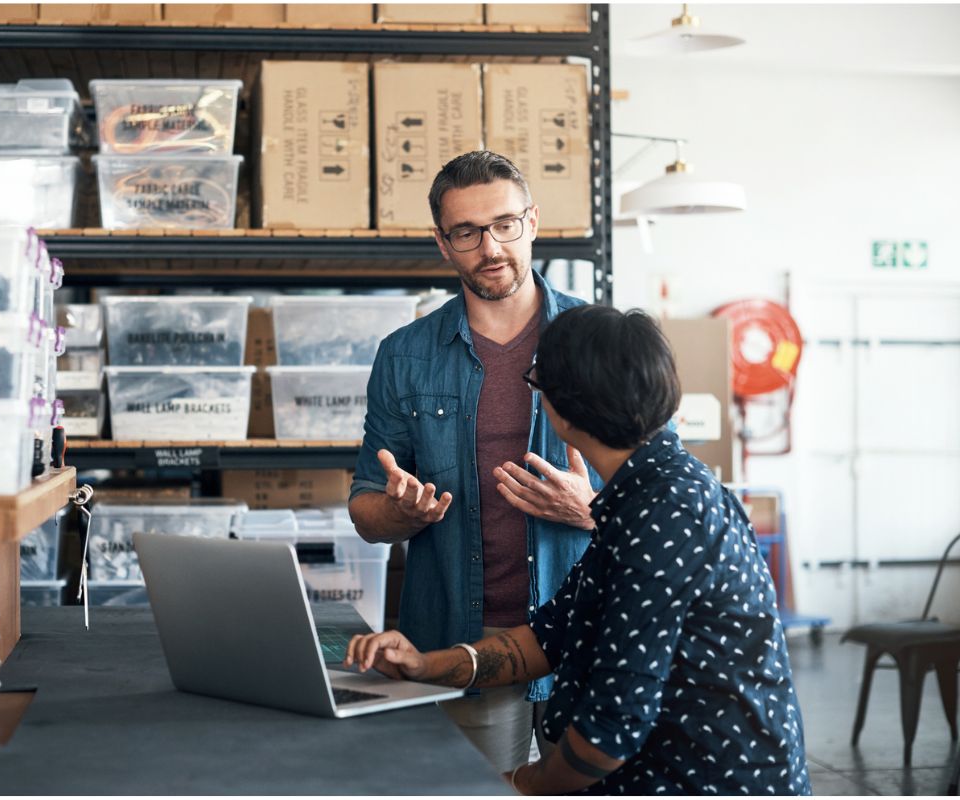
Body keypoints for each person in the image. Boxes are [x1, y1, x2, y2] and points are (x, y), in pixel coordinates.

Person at [345, 305, 811, 795]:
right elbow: (551, 635)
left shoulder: (663, 516)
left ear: (562, 410)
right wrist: (425, 664)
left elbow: (610, 730)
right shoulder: (642, 495)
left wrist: (517, 784)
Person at [348, 151, 601, 772]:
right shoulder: (404, 356)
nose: (490, 247)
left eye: (505, 224)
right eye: (467, 232)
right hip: (463, 644)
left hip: (592, 639)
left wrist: (591, 509)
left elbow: (677, 499)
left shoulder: (603, 339)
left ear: (533, 222)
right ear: (443, 243)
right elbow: (364, 510)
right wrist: (401, 513)